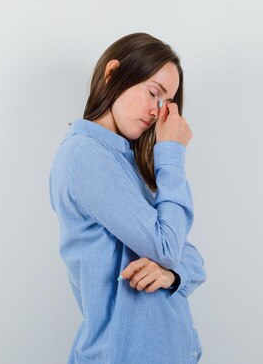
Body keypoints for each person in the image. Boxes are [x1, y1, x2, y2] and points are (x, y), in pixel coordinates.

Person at [49, 32, 207, 363]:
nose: (157, 111)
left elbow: (190, 258)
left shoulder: (126, 164)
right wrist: (172, 152)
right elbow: (167, 246)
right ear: (113, 74)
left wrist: (170, 274)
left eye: (167, 102)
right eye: (154, 93)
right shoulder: (86, 156)